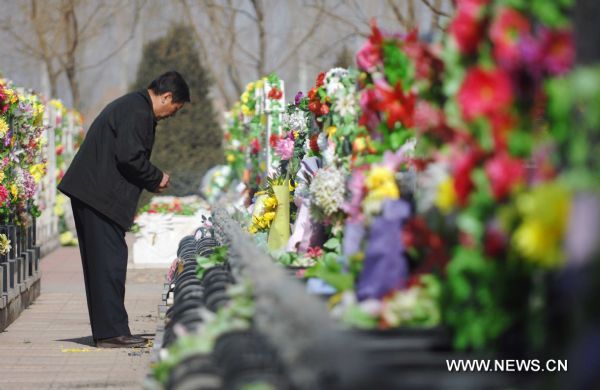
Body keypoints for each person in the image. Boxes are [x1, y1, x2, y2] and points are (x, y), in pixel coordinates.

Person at [58, 71, 190, 348]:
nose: (170, 115)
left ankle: (112, 330)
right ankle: (111, 334)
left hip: (94, 195)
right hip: (98, 196)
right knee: (108, 265)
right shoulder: (138, 110)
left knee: (106, 263)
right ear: (166, 97)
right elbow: (129, 156)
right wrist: (156, 177)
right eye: (173, 109)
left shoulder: (133, 105)